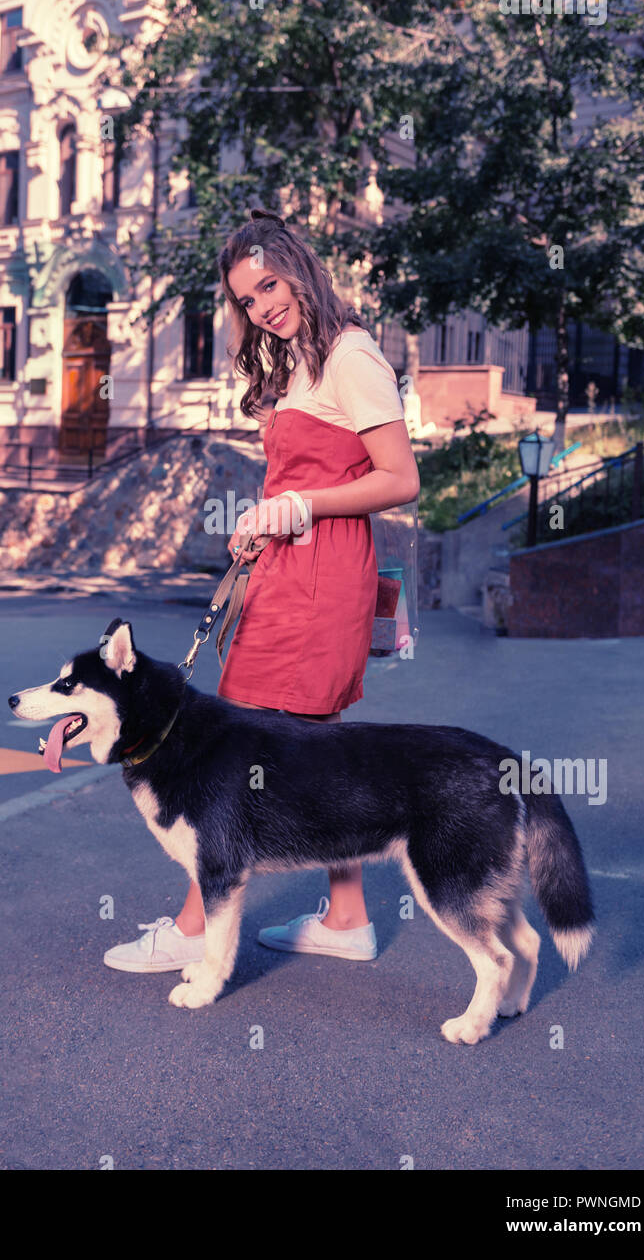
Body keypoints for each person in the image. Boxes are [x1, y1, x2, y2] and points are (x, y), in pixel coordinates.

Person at [105, 208, 420, 973]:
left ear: (299, 269)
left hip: (317, 582)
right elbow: (308, 477)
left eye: (270, 286)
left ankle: (190, 931)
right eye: (246, 299)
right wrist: (267, 518)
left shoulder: (350, 356)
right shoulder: (297, 363)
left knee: (240, 743)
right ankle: (346, 917)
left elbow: (400, 479)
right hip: (290, 571)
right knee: (314, 744)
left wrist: (300, 506)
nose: (262, 307)